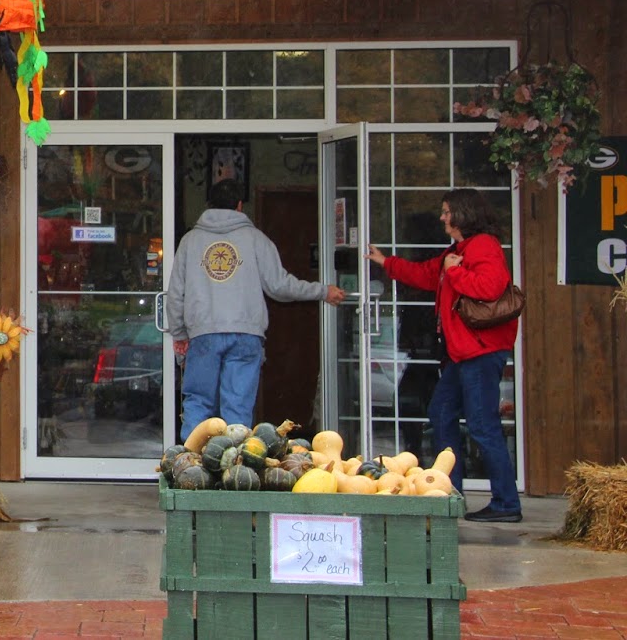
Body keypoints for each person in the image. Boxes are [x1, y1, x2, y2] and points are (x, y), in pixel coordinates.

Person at [368, 188, 520, 522]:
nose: (442, 217)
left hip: (479, 352)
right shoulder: (459, 249)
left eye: (446, 211)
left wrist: (454, 272)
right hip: (463, 354)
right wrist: (385, 262)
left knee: (482, 426)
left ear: (462, 214)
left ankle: (507, 503)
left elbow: (491, 287)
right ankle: (450, 492)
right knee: (440, 415)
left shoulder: (483, 246)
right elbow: (424, 274)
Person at [169, 179, 345, 434]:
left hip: (203, 334)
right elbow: (280, 286)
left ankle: (189, 467)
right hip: (246, 335)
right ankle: (236, 469)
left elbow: (176, 292)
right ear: (240, 206)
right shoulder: (256, 239)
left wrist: (179, 333)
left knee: (198, 403)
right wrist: (322, 291)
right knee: (238, 409)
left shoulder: (190, 241)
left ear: (209, 205)